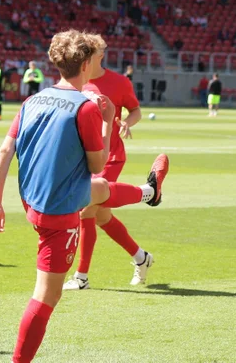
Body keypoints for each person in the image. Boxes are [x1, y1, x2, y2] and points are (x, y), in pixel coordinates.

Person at [0, 30, 169, 363]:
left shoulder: (32, 100)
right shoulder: (85, 109)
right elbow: (98, 162)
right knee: (46, 296)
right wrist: (109, 118)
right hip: (58, 212)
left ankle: (148, 193)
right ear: (86, 64)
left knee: (95, 195)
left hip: (32, 200)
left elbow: (5, 148)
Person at [63, 36, 150, 292]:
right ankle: (141, 257)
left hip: (109, 156)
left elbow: (135, 111)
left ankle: (81, 277)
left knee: (86, 209)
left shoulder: (119, 82)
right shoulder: (76, 80)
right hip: (83, 156)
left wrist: (126, 123)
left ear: (100, 55)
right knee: (101, 215)